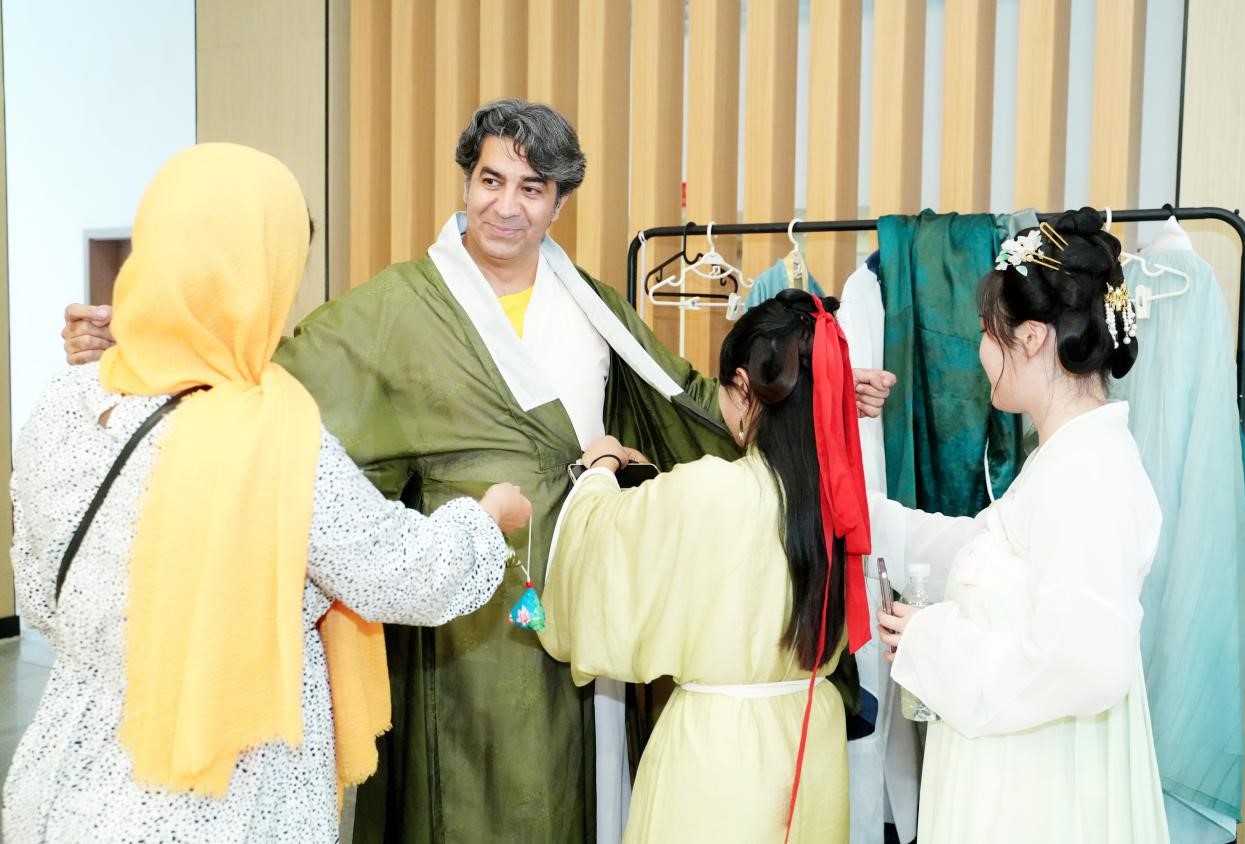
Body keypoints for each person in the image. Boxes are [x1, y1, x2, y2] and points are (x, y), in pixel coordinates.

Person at [59, 100, 893, 843]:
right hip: (463, 599)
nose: (506, 205)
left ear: (559, 204)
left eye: (532, 188)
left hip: (588, 576)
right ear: (466, 182)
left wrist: (815, 395)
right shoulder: (398, 307)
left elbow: (690, 400)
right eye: (491, 180)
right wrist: (144, 340)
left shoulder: (590, 302)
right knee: (471, 790)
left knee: (581, 782)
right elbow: (272, 372)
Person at [3, 143, 531, 843]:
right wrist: (487, 520)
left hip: (59, 776)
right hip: (213, 799)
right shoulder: (269, 436)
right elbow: (400, 573)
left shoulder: (63, 402)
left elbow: (43, 601)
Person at [540, 288, 880, 842]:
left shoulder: (708, 490)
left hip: (719, 757)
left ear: (743, 388)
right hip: (812, 741)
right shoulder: (838, 500)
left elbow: (599, 548)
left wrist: (600, 467)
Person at [874, 208, 1170, 842]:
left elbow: (1088, 664)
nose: (981, 352)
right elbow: (983, 553)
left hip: (1039, 793)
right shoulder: (1064, 458)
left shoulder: (1085, 473)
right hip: (1027, 774)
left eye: (987, 332)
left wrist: (933, 641)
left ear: (1032, 338)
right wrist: (867, 517)